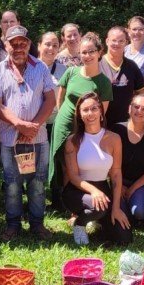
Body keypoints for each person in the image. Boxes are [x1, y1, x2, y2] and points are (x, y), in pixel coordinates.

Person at [0, 26, 57, 241]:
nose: (18, 47)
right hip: (11, 140)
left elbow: (50, 100)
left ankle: (37, 224)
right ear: (6, 45)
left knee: (37, 183)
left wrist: (33, 126)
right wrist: (20, 125)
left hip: (38, 138)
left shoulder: (41, 68)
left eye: (22, 43)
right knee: (12, 184)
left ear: (29, 44)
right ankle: (13, 225)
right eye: (13, 43)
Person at [48, 32, 113, 207]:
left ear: (100, 52)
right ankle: (60, 200)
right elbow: (60, 97)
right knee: (62, 163)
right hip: (63, 125)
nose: (87, 56)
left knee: (77, 165)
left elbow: (101, 113)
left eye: (91, 51)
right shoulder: (71, 72)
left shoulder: (104, 83)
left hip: (84, 129)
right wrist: (63, 115)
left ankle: (74, 204)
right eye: (83, 52)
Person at [62, 92, 132, 246]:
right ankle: (80, 223)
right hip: (77, 189)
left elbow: (115, 174)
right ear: (80, 115)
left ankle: (97, 220)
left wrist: (116, 208)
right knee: (99, 207)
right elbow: (73, 176)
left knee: (123, 237)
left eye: (94, 108)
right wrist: (93, 191)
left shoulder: (114, 139)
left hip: (103, 188)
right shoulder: (72, 141)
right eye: (85, 110)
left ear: (101, 111)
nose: (90, 113)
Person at [110, 94, 144, 224]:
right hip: (118, 180)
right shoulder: (117, 130)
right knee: (119, 212)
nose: (139, 111)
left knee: (139, 212)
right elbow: (108, 162)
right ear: (129, 109)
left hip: (142, 182)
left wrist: (133, 188)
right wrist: (119, 185)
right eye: (136, 107)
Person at [100, 26, 144, 125]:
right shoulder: (97, 65)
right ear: (107, 41)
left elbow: (141, 94)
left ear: (126, 43)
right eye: (114, 40)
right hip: (100, 123)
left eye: (121, 41)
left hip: (126, 124)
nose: (117, 44)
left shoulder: (131, 66)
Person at [37, 31, 67, 142]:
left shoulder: (63, 70)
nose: (51, 48)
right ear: (39, 46)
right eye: (47, 44)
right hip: (36, 124)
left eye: (55, 46)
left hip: (56, 124)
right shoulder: (29, 68)